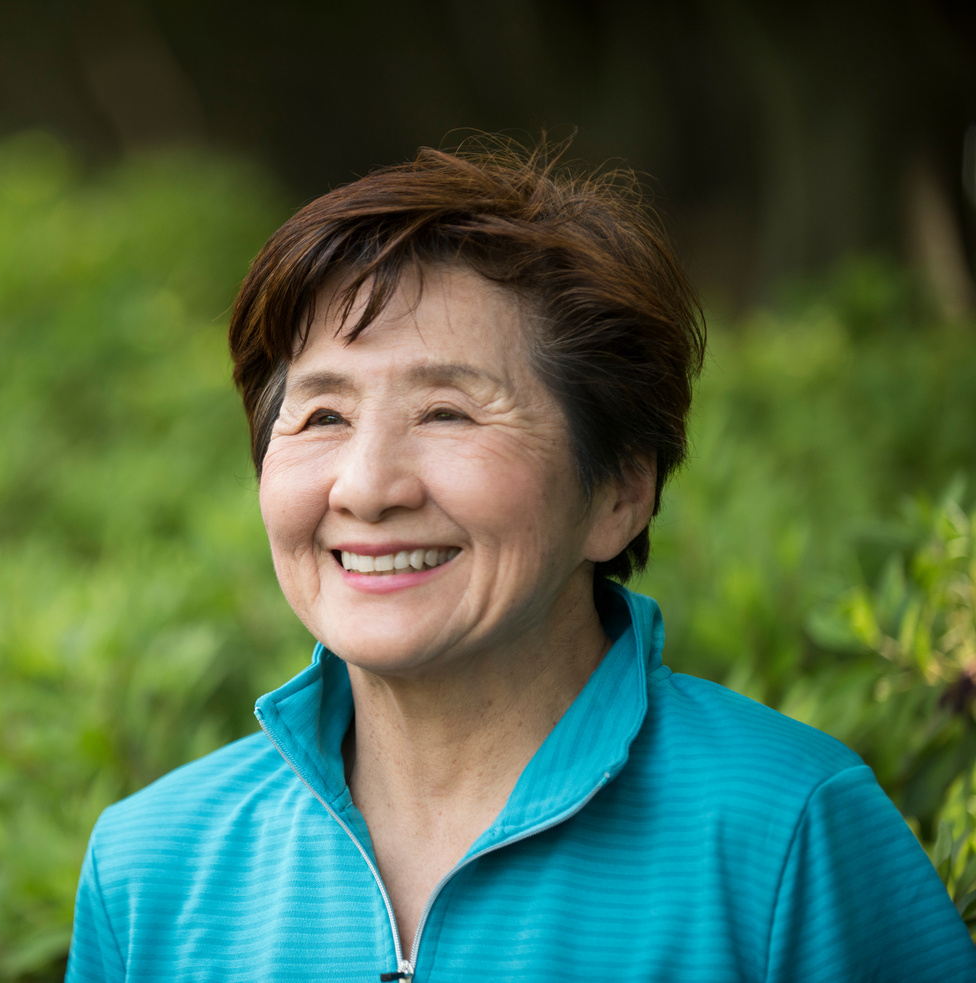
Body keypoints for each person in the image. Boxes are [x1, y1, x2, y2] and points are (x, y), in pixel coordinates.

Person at [64, 141, 976, 982]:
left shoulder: (787, 834)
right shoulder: (152, 868)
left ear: (619, 490)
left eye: (449, 412)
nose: (367, 486)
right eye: (323, 416)